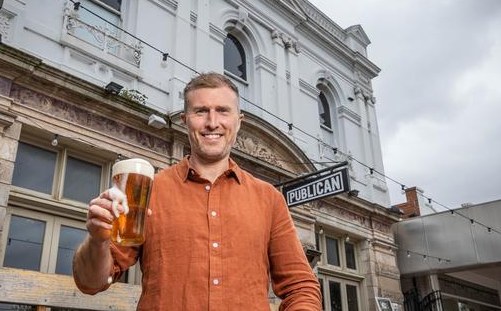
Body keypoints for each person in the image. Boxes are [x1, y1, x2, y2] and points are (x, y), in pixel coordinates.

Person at [73, 72, 321, 310]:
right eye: (201, 111)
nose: (212, 122)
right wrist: (97, 240)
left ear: (238, 121)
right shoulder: (149, 190)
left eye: (223, 111)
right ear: (185, 120)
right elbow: (91, 283)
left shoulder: (269, 199)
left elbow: (300, 286)